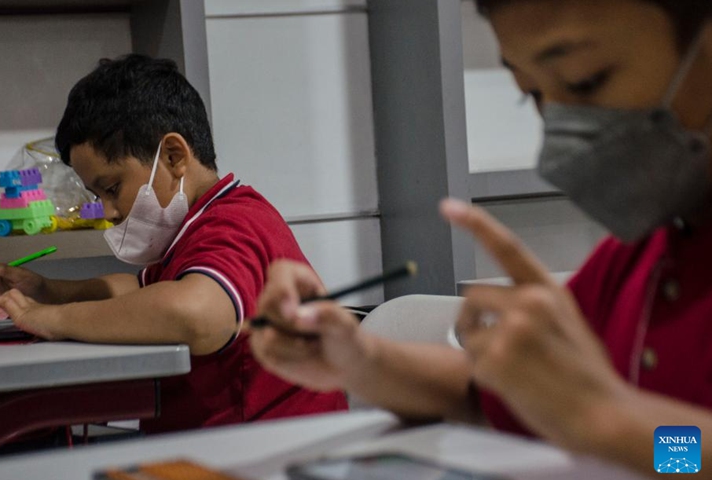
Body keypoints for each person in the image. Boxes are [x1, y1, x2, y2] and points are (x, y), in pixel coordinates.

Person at [248, 0, 712, 476]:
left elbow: (647, 436)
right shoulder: (642, 259)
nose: (558, 134)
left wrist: (607, 421)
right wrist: (357, 358)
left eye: (583, 80)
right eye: (532, 94)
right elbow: (498, 394)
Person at [0, 54, 347, 433]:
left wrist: (50, 319)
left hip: (270, 453)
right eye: (98, 196)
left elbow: (194, 314)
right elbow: (140, 289)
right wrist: (45, 292)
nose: (108, 212)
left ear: (175, 156)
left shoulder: (236, 223)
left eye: (112, 188)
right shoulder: (195, 228)